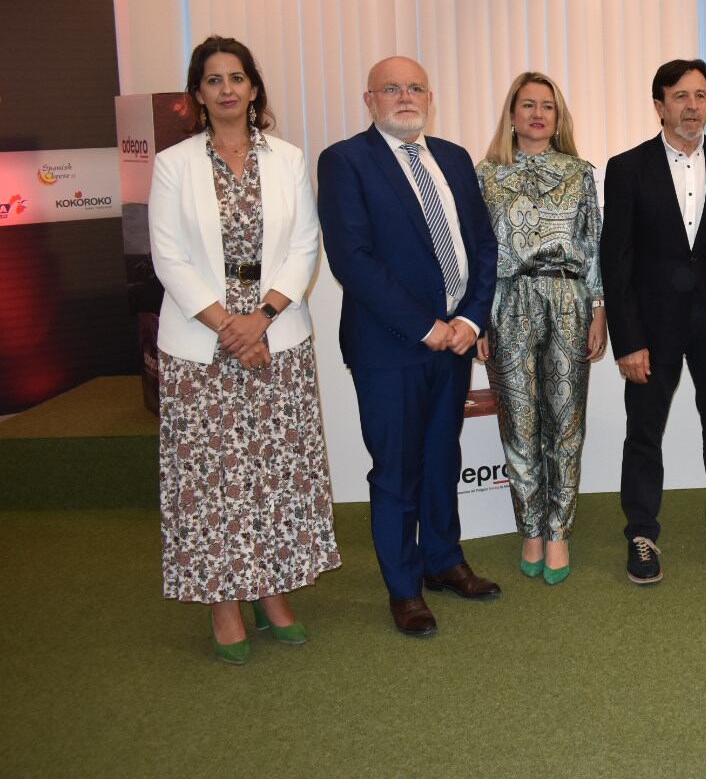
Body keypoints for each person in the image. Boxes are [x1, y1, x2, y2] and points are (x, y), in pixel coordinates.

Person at [149, 36, 339, 664]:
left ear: (253, 88)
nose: (227, 89)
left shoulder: (287, 158)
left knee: (276, 473)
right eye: (213, 80)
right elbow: (168, 256)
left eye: (236, 78)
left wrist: (260, 319)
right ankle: (223, 600)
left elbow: (305, 246)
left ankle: (273, 591)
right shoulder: (174, 164)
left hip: (276, 335)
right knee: (213, 479)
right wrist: (228, 326)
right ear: (197, 95)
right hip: (200, 345)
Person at [316, 56, 501, 638]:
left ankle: (443, 559)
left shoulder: (454, 158)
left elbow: (483, 245)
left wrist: (470, 319)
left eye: (415, 87)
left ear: (430, 98)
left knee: (442, 457)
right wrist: (427, 327)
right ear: (369, 100)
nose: (405, 96)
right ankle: (403, 587)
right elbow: (353, 260)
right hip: (390, 348)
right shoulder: (346, 161)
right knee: (396, 470)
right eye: (391, 88)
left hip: (455, 343)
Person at [602, 59, 706, 584]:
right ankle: (642, 533)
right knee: (643, 435)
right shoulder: (627, 168)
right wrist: (628, 340)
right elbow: (616, 259)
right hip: (651, 331)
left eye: (700, 95)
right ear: (659, 106)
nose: (693, 107)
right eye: (680, 97)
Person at [475, 73, 607, 586]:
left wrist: (599, 309)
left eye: (547, 106)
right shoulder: (486, 175)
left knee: (566, 424)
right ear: (512, 114)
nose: (537, 114)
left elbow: (592, 244)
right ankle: (529, 528)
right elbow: (479, 252)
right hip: (507, 302)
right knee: (520, 424)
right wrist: (478, 316)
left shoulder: (579, 173)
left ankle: (558, 532)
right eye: (527, 105)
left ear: (558, 117)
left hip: (569, 300)